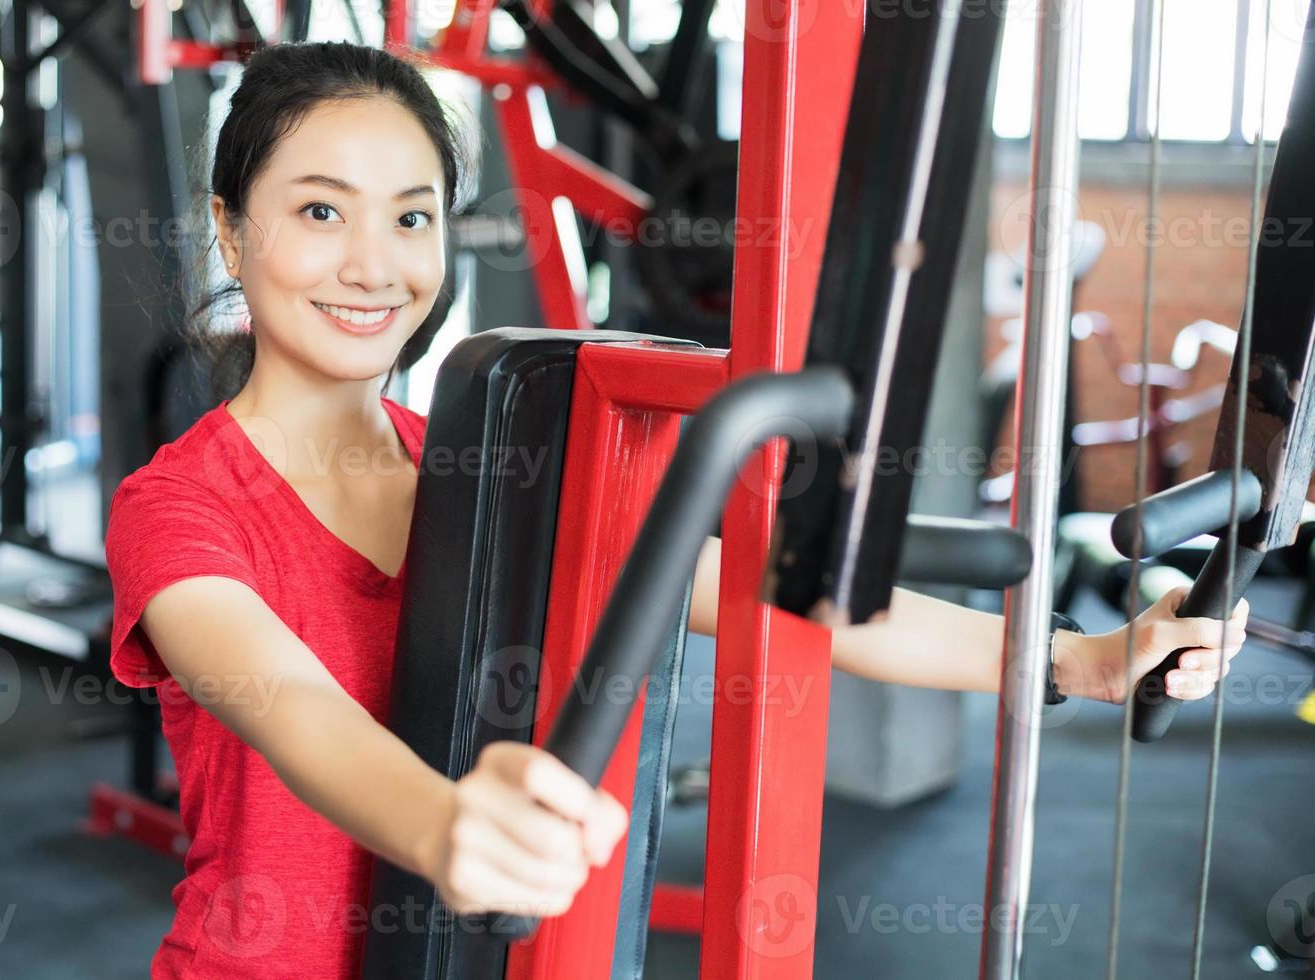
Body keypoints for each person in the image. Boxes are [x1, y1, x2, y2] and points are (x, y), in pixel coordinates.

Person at [103, 40, 1250, 979]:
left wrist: (1081, 657)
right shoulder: (181, 509)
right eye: (318, 211)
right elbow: (300, 716)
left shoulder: (489, 466)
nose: (373, 264)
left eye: (411, 218)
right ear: (231, 226)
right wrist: (442, 823)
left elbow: (779, 593)